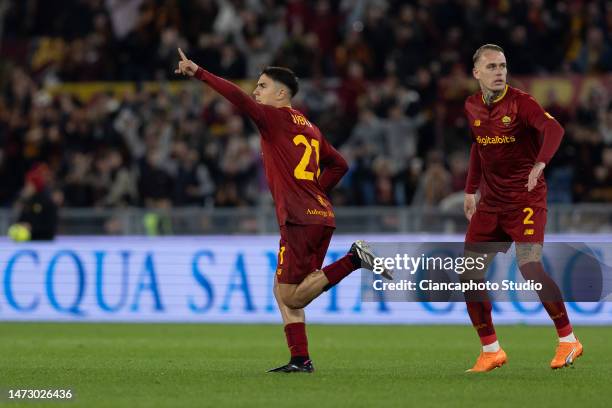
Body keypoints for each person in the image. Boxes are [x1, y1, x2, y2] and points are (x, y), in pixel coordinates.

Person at [175, 48, 391, 373]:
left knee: (293, 297)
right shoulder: (310, 127)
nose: (255, 92)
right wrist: (315, 191)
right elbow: (339, 164)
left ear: (280, 93)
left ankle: (354, 259)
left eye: (262, 86)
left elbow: (236, 98)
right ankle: (300, 359)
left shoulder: (272, 118)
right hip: (319, 216)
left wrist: (199, 72)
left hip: (299, 220)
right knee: (283, 289)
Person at [462, 44, 581, 372]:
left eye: (502, 66)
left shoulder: (521, 103)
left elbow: (554, 129)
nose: (499, 72)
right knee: (468, 274)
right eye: (492, 67)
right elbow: (478, 147)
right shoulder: (471, 106)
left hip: (525, 199)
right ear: (477, 73)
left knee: (529, 266)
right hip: (491, 204)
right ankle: (491, 350)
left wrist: (540, 164)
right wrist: (471, 190)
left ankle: (568, 340)